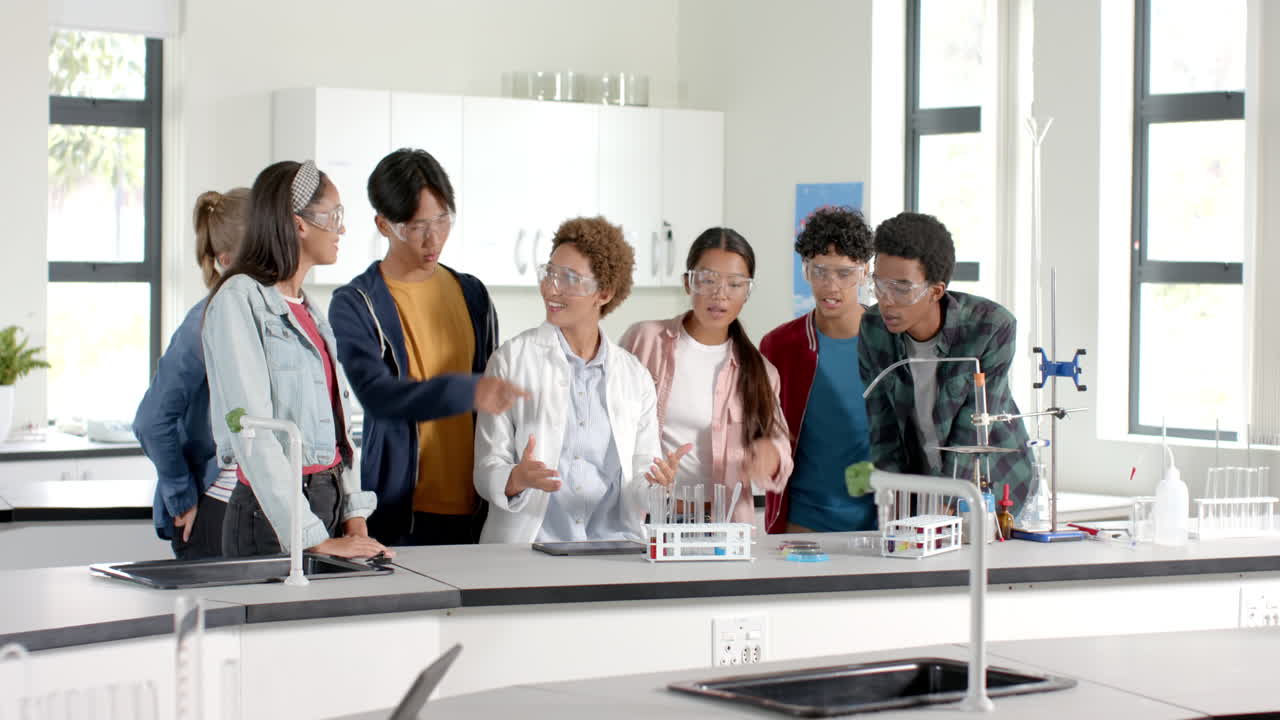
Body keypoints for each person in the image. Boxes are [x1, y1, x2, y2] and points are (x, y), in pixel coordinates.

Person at [329, 148, 524, 546]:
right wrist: (469, 390)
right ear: (384, 225)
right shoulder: (356, 303)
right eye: (417, 227)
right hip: (403, 514)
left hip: (480, 507)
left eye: (442, 220)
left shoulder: (472, 294)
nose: (433, 239)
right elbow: (378, 396)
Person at [203, 159, 392, 559]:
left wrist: (354, 513)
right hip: (273, 521)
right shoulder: (240, 299)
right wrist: (310, 537)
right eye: (334, 215)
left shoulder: (308, 309)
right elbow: (252, 431)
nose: (342, 228)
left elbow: (339, 427)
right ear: (299, 223)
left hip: (327, 505)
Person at [473, 217, 687, 543]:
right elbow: (486, 467)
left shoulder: (634, 377)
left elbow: (641, 478)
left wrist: (660, 488)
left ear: (604, 292)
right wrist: (516, 477)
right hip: (531, 550)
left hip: (614, 550)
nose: (551, 288)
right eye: (550, 274)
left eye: (569, 279)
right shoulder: (511, 361)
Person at [858, 212, 1033, 514]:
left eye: (901, 288)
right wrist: (895, 506)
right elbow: (882, 427)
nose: (886, 299)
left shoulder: (991, 327)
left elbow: (973, 431)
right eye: (879, 284)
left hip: (994, 485)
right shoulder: (874, 328)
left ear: (935, 291)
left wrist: (948, 505)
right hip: (922, 487)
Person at [620, 228, 793, 527]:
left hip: (723, 528)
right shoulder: (644, 341)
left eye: (735, 284)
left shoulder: (762, 373)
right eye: (708, 280)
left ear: (747, 290)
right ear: (688, 282)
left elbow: (779, 450)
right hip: (649, 520)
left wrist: (770, 457)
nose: (720, 294)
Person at [134, 188, 248, 559]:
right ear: (226, 259)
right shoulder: (204, 321)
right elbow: (152, 420)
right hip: (210, 509)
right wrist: (181, 495)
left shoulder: (260, 317)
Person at [760, 206, 875, 533]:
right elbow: (764, 429)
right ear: (805, 270)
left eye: (844, 273)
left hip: (884, 523)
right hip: (804, 522)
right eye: (820, 271)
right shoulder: (779, 346)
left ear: (864, 272)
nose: (831, 285)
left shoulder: (892, 341)